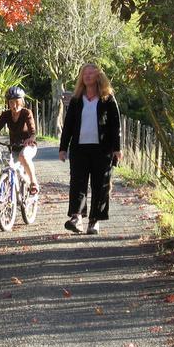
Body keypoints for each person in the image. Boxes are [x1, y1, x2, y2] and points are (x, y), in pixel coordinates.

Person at [58, 63, 121, 235]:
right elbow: (68, 126)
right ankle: (76, 217)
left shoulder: (108, 99)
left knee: (100, 185)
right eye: (84, 73)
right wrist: (63, 148)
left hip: (102, 150)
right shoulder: (77, 99)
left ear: (98, 76)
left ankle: (94, 221)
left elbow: (115, 126)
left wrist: (117, 149)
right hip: (79, 149)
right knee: (77, 183)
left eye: (91, 73)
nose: (87, 76)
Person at [0, 86, 39, 195]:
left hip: (28, 145)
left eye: (17, 101)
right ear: (8, 103)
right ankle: (9, 195)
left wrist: (30, 139)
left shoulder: (26, 113)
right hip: (14, 147)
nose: (14, 105)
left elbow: (32, 131)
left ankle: (33, 183)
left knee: (23, 156)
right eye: (11, 102)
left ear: (22, 101)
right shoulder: (6, 115)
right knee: (8, 166)